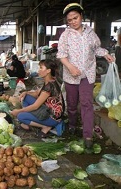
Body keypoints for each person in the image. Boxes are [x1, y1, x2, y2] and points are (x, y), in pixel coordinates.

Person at [56, 3, 114, 148]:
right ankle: (73, 124)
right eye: (69, 20)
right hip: (71, 76)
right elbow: (61, 55)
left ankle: (87, 136)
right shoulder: (66, 35)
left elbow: (96, 49)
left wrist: (105, 54)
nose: (73, 22)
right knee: (72, 104)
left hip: (87, 74)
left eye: (75, 18)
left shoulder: (90, 33)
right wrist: (70, 67)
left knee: (87, 104)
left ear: (81, 16)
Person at [10, 59, 64, 138]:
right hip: (46, 109)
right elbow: (36, 94)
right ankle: (28, 118)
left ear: (48, 71)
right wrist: (26, 92)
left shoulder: (49, 87)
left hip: (53, 117)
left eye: (41, 68)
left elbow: (35, 106)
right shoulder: (49, 81)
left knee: (20, 116)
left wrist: (18, 111)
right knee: (26, 97)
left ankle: (45, 127)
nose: (38, 71)